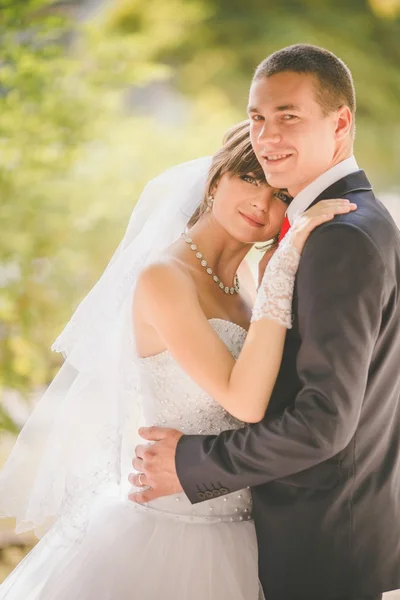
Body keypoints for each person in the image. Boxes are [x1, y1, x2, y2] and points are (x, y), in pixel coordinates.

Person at [0, 119, 353, 599]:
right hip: (170, 534)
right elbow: (245, 403)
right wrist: (287, 262)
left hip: (251, 532)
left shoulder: (251, 281)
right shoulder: (166, 278)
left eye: (281, 196)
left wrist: (276, 272)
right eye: (248, 179)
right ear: (215, 180)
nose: (261, 202)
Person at [130, 44, 400, 600]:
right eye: (258, 119)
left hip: (319, 543)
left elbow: (323, 421)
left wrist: (190, 462)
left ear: (341, 122)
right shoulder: (335, 229)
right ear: (214, 179)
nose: (269, 137)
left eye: (290, 117)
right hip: (254, 534)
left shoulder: (338, 237)